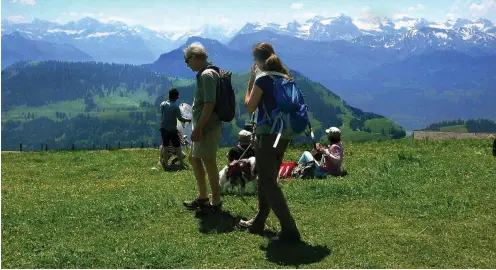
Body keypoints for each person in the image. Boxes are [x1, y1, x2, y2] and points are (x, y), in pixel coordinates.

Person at [239, 42, 301, 243]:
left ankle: (289, 229)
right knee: (267, 177)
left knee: (267, 180)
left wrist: (251, 79)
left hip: (267, 136)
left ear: (258, 61)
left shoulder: (263, 79)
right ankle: (259, 221)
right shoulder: (285, 77)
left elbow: (250, 106)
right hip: (283, 135)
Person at [182, 43, 223, 214]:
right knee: (194, 158)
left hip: (207, 126)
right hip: (205, 125)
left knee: (209, 162)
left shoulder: (207, 75)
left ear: (193, 58)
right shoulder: (208, 72)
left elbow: (209, 103)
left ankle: (215, 200)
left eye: (187, 61)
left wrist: (199, 127)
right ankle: (203, 197)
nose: (187, 64)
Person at [159, 88, 191, 170]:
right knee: (177, 147)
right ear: (175, 97)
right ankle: (182, 165)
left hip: (163, 129)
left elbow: (162, 115)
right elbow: (180, 118)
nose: (177, 98)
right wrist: (187, 120)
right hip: (172, 130)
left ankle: (166, 165)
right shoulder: (175, 107)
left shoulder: (163, 104)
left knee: (165, 147)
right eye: (177, 97)